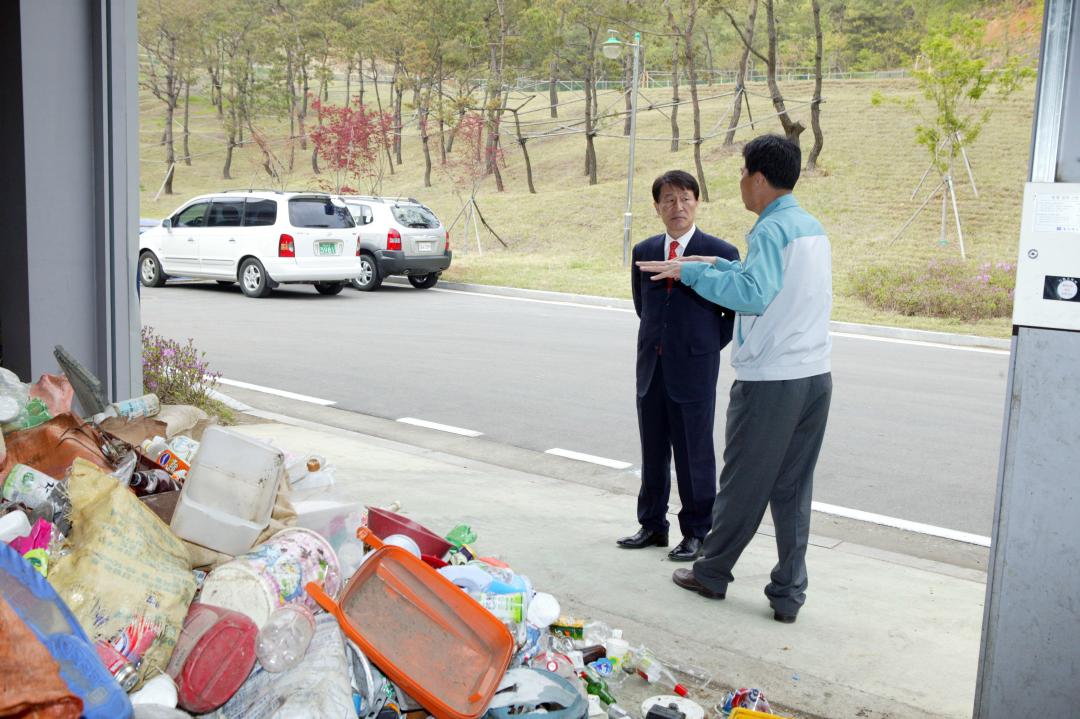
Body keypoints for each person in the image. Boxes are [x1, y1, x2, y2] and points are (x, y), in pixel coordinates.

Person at [636, 135, 832, 623]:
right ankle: (788, 591)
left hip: (772, 380)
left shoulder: (768, 229)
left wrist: (691, 275)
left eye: (744, 175)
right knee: (792, 489)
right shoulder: (808, 226)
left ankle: (712, 571)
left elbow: (756, 294)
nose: (742, 184)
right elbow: (770, 280)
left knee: (742, 481)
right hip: (814, 376)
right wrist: (717, 264)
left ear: (759, 179)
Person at [618, 170, 740, 561]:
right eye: (668, 199)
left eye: (685, 198)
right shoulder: (644, 250)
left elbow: (728, 317)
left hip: (695, 368)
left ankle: (697, 531)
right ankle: (652, 525)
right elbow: (643, 306)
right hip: (651, 367)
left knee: (694, 452)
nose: (678, 207)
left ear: (697, 202)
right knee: (653, 449)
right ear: (657, 207)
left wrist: (700, 348)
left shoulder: (720, 252)